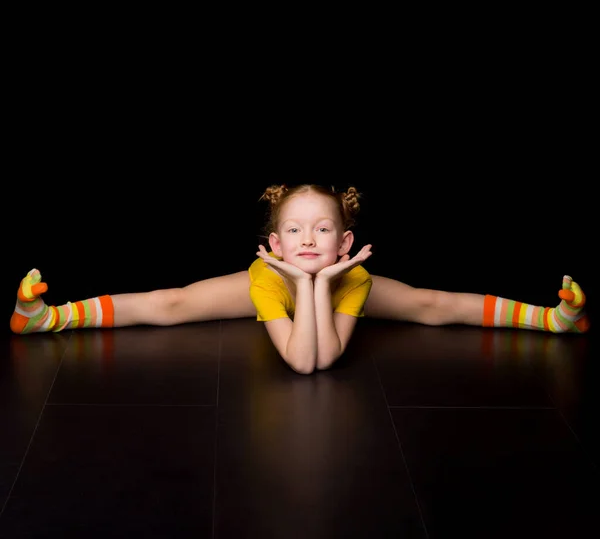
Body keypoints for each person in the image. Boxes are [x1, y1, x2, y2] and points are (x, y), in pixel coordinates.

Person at [10, 183, 590, 374]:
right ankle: (48, 318)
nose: (308, 240)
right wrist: (298, 279)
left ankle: (553, 320)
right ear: (274, 243)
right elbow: (300, 361)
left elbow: (321, 359)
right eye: (294, 231)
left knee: (431, 305)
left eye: (321, 231)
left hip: (340, 284)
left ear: (343, 243)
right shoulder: (267, 275)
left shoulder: (351, 276)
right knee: (173, 303)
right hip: (275, 283)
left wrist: (325, 280)